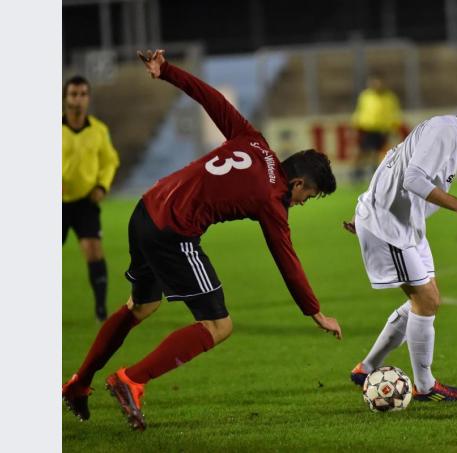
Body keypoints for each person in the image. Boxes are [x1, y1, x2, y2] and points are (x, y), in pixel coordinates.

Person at [62, 49, 342, 431]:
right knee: (217, 325)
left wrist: (167, 71)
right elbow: (286, 258)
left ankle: (80, 382)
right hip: (172, 232)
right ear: (297, 183)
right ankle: (131, 380)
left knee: (141, 306)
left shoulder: (253, 139)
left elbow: (210, 98)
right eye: (306, 196)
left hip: (146, 209)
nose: (301, 202)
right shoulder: (273, 199)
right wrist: (315, 311)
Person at [343, 88, 457, 402]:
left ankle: (366, 368)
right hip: (390, 228)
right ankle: (425, 386)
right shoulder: (444, 132)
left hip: (405, 225)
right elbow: (412, 179)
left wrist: (365, 208)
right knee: (427, 301)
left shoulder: (451, 134)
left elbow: (394, 160)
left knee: (426, 302)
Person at [62, 75, 120, 321]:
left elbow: (110, 161)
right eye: (74, 94)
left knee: (94, 251)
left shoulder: (99, 130)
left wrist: (102, 186)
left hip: (86, 202)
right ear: (65, 98)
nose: (79, 98)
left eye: (83, 94)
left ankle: (100, 308)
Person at [350, 73, 404, 184]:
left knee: (378, 152)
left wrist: (395, 126)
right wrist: (356, 123)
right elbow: (360, 110)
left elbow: (394, 112)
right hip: (367, 128)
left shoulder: (390, 97)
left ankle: (375, 173)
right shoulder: (365, 96)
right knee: (363, 151)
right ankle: (357, 172)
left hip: (383, 129)